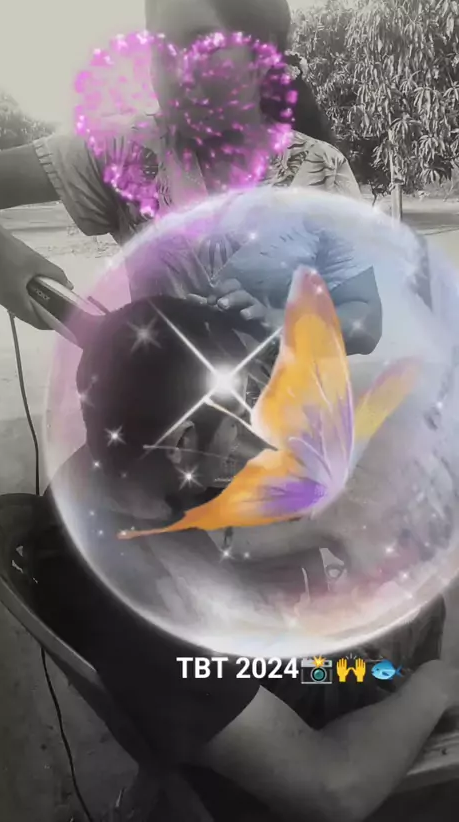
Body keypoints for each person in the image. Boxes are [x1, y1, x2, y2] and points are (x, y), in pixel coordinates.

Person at [37, 295, 455, 822]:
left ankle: (394, 675)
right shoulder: (153, 615)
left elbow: (152, 381)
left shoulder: (90, 481)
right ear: (181, 444)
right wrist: (437, 684)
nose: (249, 437)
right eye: (236, 420)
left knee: (408, 596)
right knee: (423, 614)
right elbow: (332, 788)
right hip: (312, 722)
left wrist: (328, 531)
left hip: (271, 661)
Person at [0, 0, 379, 351]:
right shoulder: (124, 149)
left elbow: (365, 317)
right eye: (161, 51)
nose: (177, 72)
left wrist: (283, 324)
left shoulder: (321, 168)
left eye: (203, 44)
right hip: (156, 399)